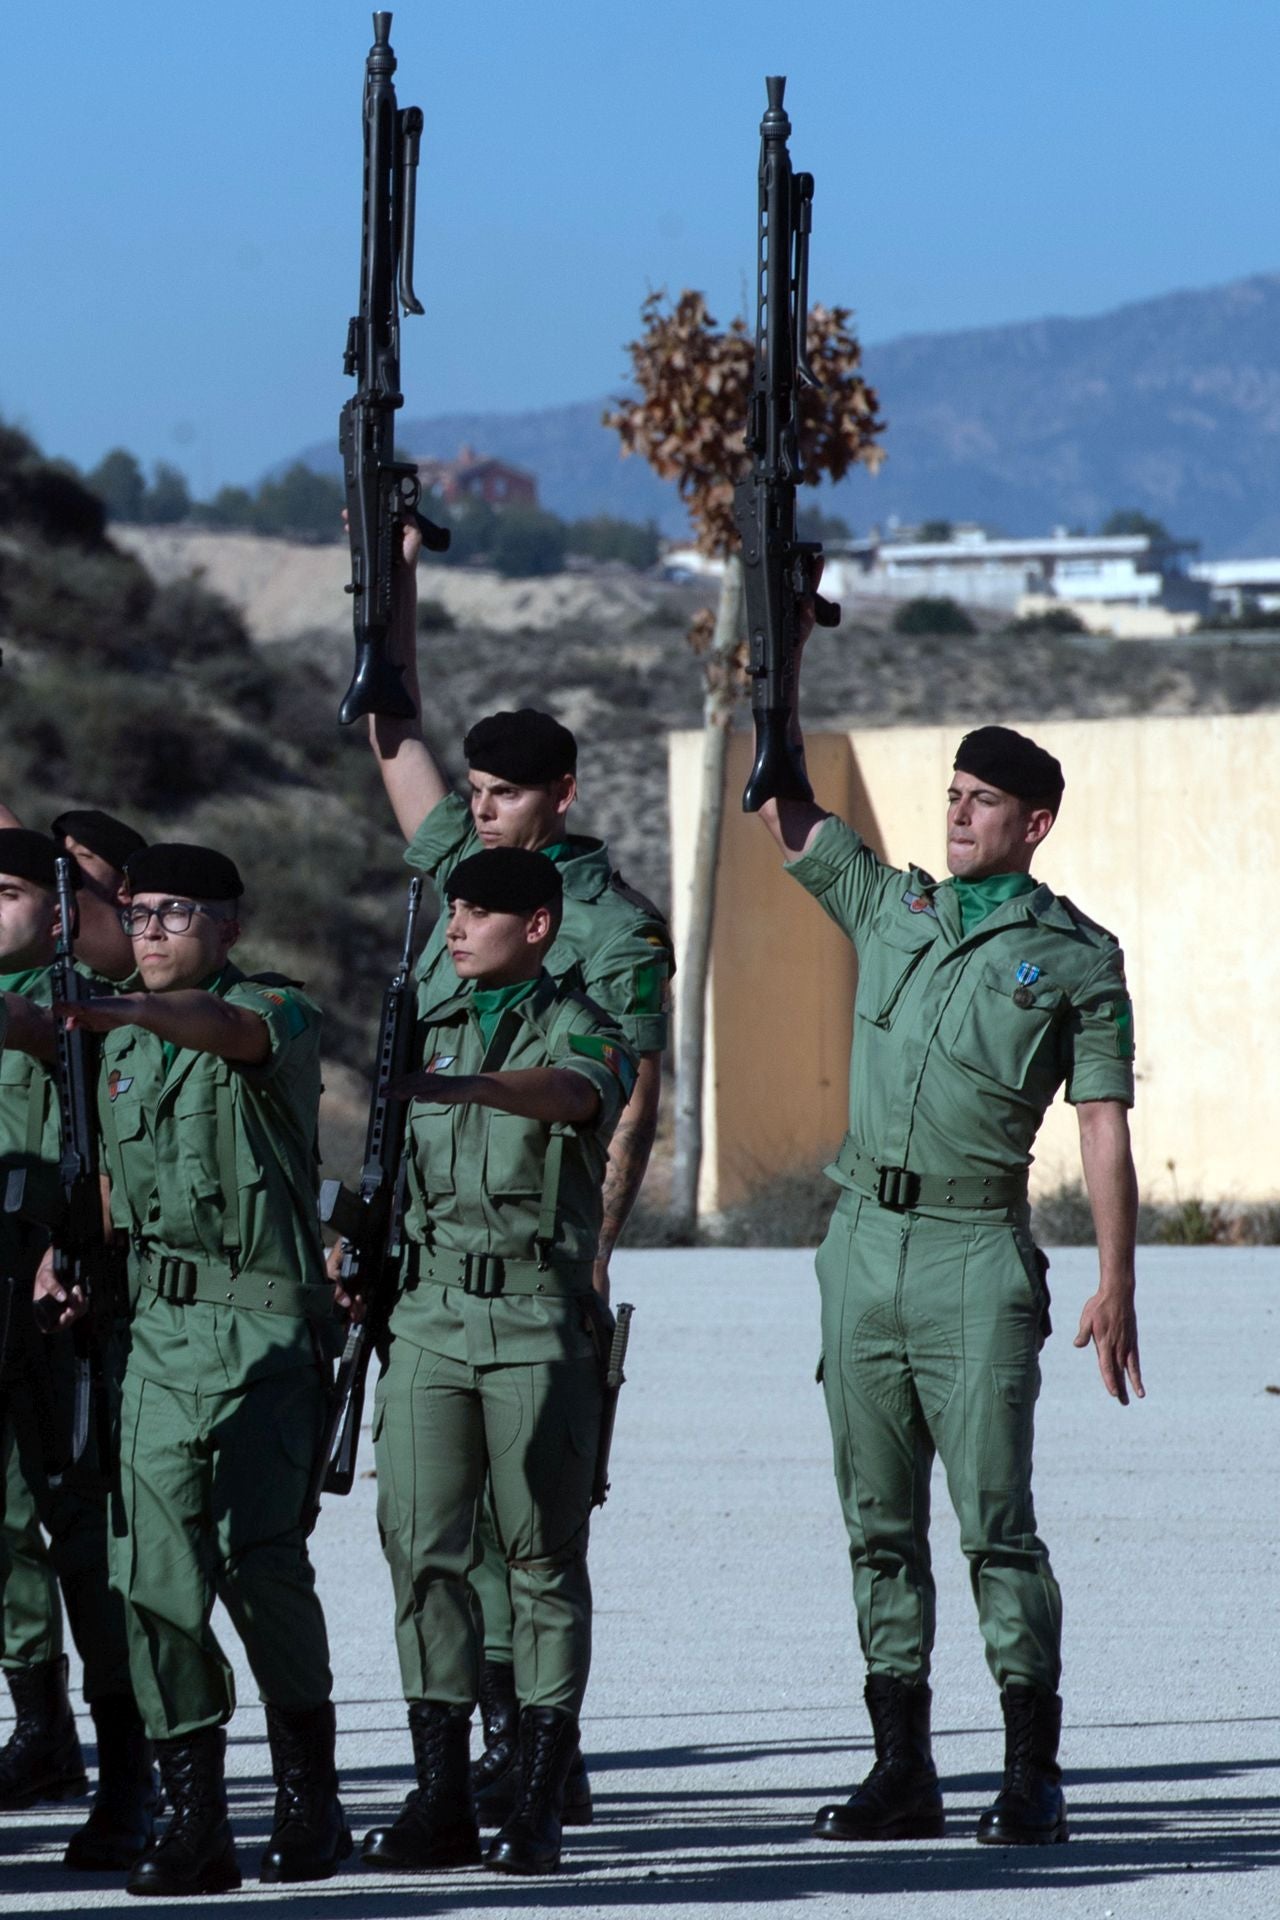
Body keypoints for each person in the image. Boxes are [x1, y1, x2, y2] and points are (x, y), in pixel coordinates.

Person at [756, 682, 1143, 1848]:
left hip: (976, 1250)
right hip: (861, 1242)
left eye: (981, 803)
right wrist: (779, 677)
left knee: (992, 1524)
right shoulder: (892, 909)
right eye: (951, 796)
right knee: (875, 1522)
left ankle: (1030, 1773)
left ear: (1034, 823)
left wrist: (1115, 1278)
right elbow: (790, 817)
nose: (957, 816)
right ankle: (900, 1767)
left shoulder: (1075, 957)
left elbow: (1100, 1125)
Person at [364, 524, 671, 1823]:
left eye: (503, 790)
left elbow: (626, 1087)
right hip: (439, 1271)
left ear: (563, 795)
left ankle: (539, 1760)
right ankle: (471, 1764)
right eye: (474, 788)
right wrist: (396, 571)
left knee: (530, 1534)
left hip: (542, 1257)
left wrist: (596, 1244)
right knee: (433, 1534)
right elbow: (389, 728)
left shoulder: (600, 926)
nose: (476, 805)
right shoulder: (465, 889)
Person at [38, 841, 350, 1895]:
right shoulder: (116, 1047)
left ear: (227, 926)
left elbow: (226, 1031)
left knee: (262, 1572)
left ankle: (310, 1800)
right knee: (150, 1587)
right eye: (139, 914)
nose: (154, 930)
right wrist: (71, 1256)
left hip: (264, 1343)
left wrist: (123, 1012)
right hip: (158, 1346)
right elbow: (119, 1189)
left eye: (177, 913)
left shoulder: (274, 1013)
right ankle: (194, 1817)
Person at [358, 847, 636, 1878]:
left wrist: (468, 1082)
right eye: (452, 911)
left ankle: (535, 1792)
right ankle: (439, 1793)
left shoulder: (585, 1028)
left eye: (478, 914)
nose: (457, 929)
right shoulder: (425, 1027)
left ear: (536, 928)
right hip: (429, 1316)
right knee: (421, 1552)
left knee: (540, 1565)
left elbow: (570, 1097)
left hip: (532, 1317)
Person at [0, 828, 156, 1870]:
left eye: (7, 892)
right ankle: (40, 1728)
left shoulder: (81, 1007)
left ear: (58, 910)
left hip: (63, 1312)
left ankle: (132, 1771)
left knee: (88, 1545)